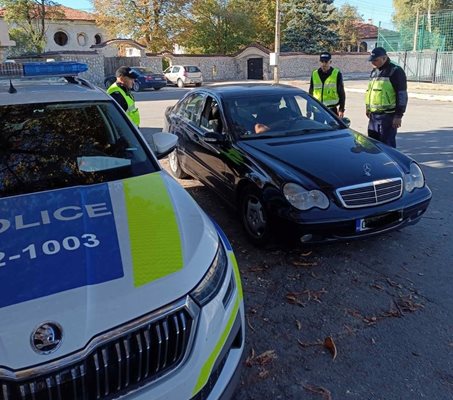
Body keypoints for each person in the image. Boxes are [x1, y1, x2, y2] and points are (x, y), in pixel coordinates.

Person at [365, 47, 408, 148]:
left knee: (387, 147)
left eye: (376, 60)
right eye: (372, 60)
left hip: (388, 117)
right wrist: (368, 107)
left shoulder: (395, 71)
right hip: (373, 116)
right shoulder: (374, 71)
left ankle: (389, 164)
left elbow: (401, 94)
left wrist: (398, 115)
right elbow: (370, 91)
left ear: (384, 58)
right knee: (372, 145)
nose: (373, 62)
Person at [309, 52, 346, 117]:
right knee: (319, 127)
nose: (324, 64)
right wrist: (308, 109)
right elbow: (310, 93)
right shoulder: (315, 74)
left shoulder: (336, 74)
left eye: (326, 62)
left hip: (331, 110)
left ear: (330, 62)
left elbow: (341, 92)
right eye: (322, 61)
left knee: (334, 126)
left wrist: (341, 109)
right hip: (318, 109)